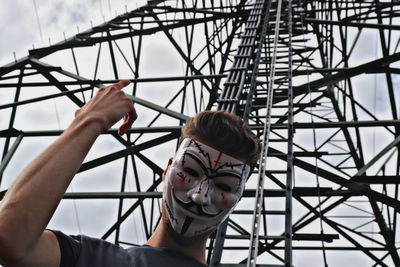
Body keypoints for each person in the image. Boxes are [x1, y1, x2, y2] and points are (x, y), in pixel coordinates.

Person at [0, 80, 260, 267]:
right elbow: (10, 238)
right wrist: (90, 121)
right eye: (190, 171)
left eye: (224, 188)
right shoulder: (92, 258)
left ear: (238, 198)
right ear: (167, 170)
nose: (199, 197)